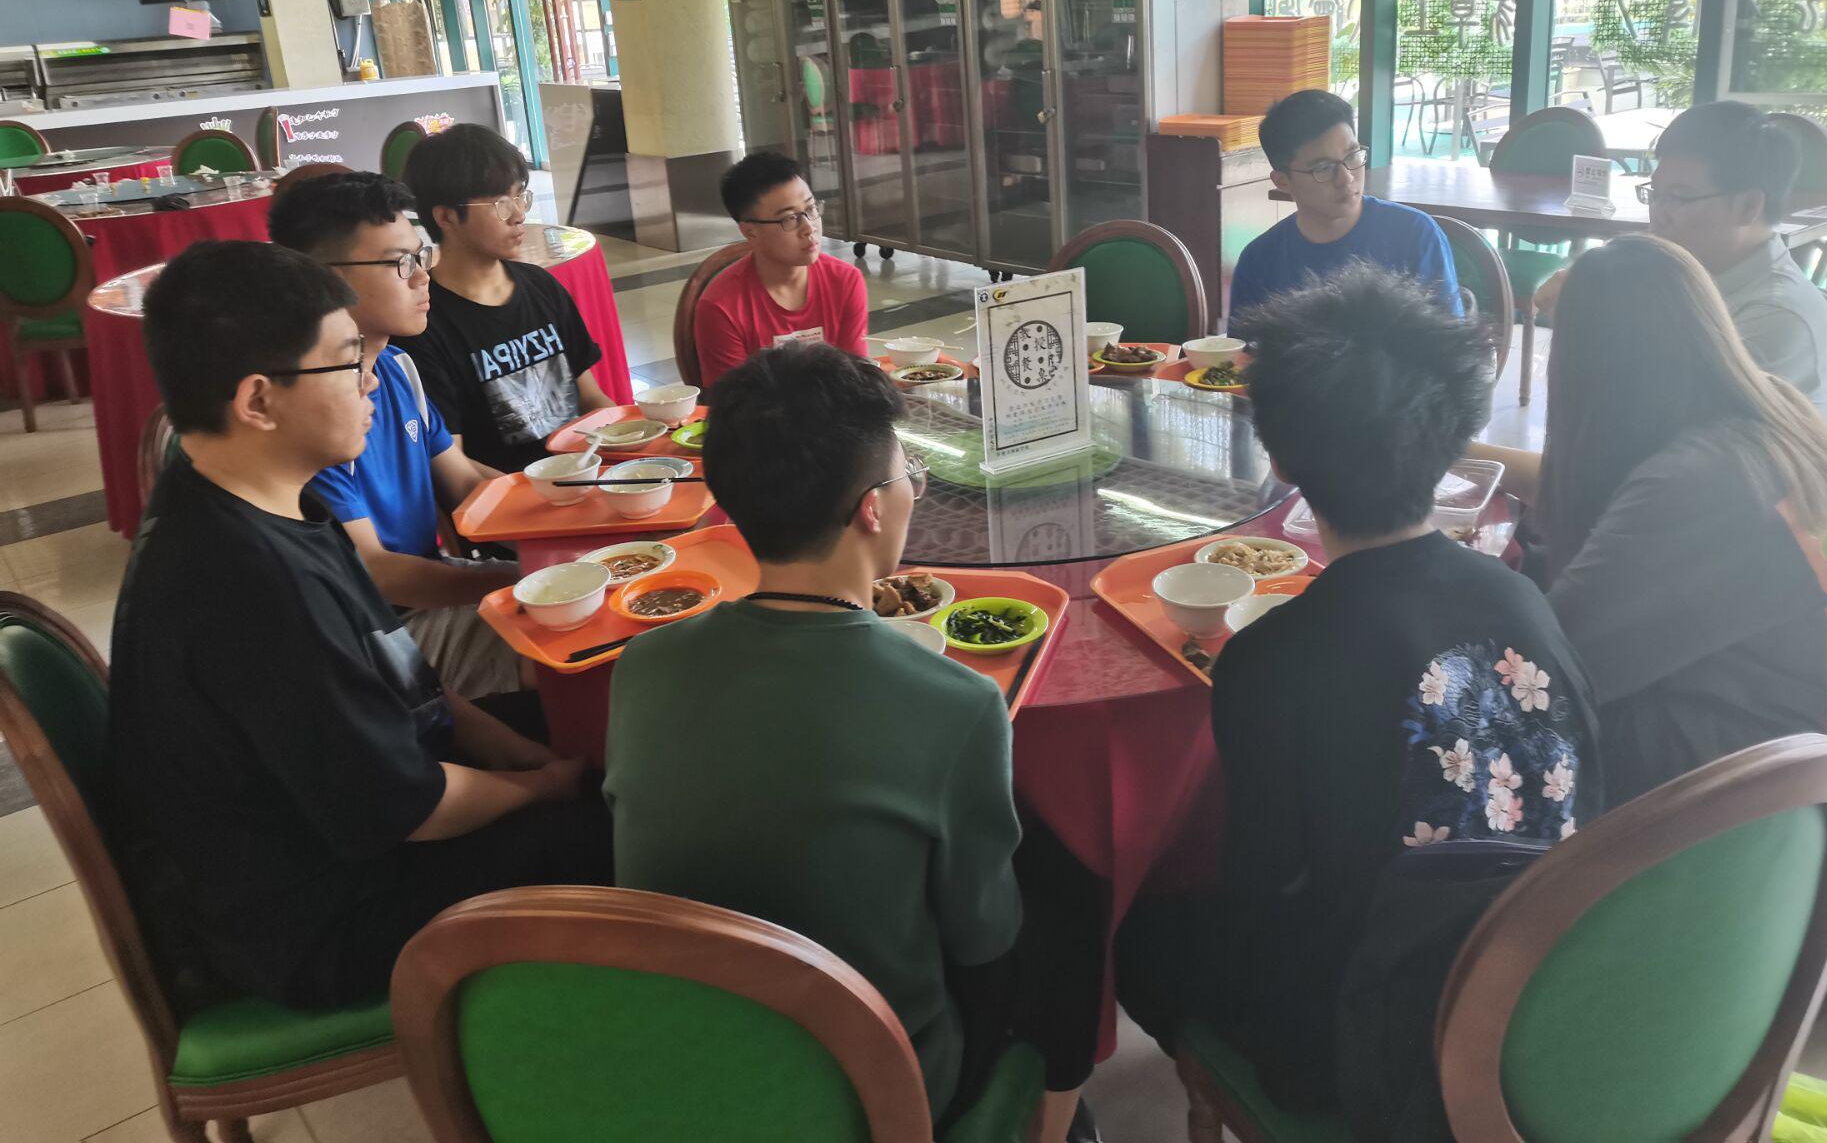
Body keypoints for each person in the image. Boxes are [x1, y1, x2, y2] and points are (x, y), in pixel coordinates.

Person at [1116, 263, 1596, 1109]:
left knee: (1138, 930)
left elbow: (1260, 885)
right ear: (1454, 435)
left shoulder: (1270, 656)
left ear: (1279, 455)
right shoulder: (1521, 595)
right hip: (1541, 997)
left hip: (1369, 1054)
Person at [602, 344, 1101, 1142]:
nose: (912, 492)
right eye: (910, 476)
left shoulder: (642, 665)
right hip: (878, 1086)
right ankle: (1053, 1121)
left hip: (697, 1051)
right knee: (1071, 888)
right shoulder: (959, 705)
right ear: (872, 509)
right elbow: (983, 940)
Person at [109, 240, 609, 1010]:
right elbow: (408, 807)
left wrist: (526, 755)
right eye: (349, 363)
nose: (373, 379)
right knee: (622, 828)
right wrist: (542, 787)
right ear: (258, 402)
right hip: (322, 918)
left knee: (607, 733)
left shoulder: (271, 497)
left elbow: (407, 680)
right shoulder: (241, 587)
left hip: (365, 815)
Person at [1497, 234, 1827, 803]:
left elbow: (1547, 673)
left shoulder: (1699, 485)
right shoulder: (1767, 412)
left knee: (1461, 710)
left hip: (1739, 796)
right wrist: (1455, 453)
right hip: (1824, 764)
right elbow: (1582, 487)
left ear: (1590, 366)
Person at [268, 170, 525, 698]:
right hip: (379, 630)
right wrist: (525, 577)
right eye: (400, 263)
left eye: (422, 256)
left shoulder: (397, 368)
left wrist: (571, 526)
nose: (423, 276)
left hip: (435, 583)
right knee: (585, 635)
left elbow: (466, 483)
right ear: (321, 278)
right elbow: (376, 572)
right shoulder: (315, 408)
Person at [1531, 102, 1827, 415]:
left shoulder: (1775, 316)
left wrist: (1587, 327)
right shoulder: (1674, 274)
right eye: (1655, 194)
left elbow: (1666, 422)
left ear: (1748, 206)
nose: (1658, 215)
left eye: (1678, 197)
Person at [396, 124, 614, 473]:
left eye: (519, 196)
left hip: (586, 472)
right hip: (509, 494)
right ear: (446, 217)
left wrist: (627, 454)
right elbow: (453, 464)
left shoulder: (541, 286)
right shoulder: (424, 324)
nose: (518, 214)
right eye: (500, 203)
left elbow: (591, 399)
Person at [1229, 90, 1461, 328]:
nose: (1346, 178)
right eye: (1323, 168)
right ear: (1283, 181)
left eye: (1352, 156)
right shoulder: (1259, 262)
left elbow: (1450, 343)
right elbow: (1243, 350)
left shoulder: (1414, 234)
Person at [692, 150, 869, 383]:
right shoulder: (721, 307)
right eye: (790, 218)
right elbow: (732, 400)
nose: (809, 228)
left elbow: (856, 382)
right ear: (750, 232)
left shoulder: (845, 281)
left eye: (811, 209)